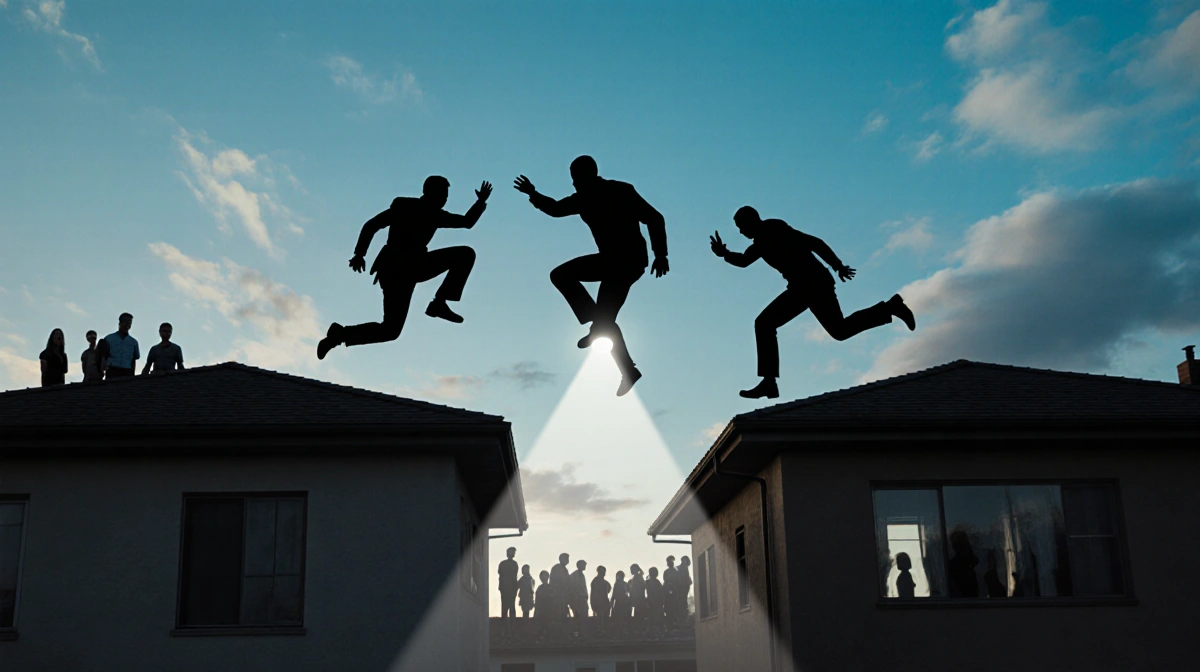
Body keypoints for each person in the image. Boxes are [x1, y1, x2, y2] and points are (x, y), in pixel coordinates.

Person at [710, 206, 916, 399]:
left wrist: (837, 265)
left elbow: (815, 243)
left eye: (741, 227)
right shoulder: (760, 243)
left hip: (811, 284)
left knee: (764, 323)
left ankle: (769, 382)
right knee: (839, 330)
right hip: (807, 287)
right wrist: (724, 254)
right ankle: (889, 308)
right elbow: (744, 260)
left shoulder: (776, 230)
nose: (740, 232)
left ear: (752, 221)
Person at [514, 156, 669, 396]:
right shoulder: (582, 198)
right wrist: (533, 194)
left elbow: (654, 218)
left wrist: (661, 254)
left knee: (598, 313)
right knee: (562, 276)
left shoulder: (621, 191)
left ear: (587, 175)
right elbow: (555, 209)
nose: (573, 184)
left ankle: (601, 329)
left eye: (576, 179)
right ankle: (605, 335)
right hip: (608, 261)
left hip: (628, 261)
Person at [317, 176, 493, 359]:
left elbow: (466, 222)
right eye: (442, 195)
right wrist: (359, 254)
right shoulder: (404, 206)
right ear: (429, 193)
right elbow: (372, 225)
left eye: (446, 196)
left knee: (465, 254)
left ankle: (439, 303)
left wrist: (480, 202)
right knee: (391, 330)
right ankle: (339, 335)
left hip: (416, 266)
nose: (445, 200)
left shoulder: (436, 215)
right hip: (395, 270)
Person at [100, 313, 139, 379]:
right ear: (120, 323)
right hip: (112, 371)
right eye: (126, 322)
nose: (128, 325)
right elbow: (103, 357)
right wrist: (102, 370)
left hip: (127, 372)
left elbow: (133, 360)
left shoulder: (133, 342)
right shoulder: (109, 339)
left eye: (130, 323)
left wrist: (132, 376)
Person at [498, 547, 519, 619]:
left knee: (509, 605)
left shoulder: (511, 563)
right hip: (506, 587)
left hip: (510, 587)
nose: (513, 554)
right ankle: (508, 622)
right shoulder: (511, 564)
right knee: (507, 605)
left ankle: (510, 622)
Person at [550, 553, 572, 619]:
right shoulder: (557, 568)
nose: (567, 560)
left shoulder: (564, 569)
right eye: (566, 558)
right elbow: (560, 582)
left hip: (563, 596)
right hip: (558, 595)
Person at [675, 555, 693, 623]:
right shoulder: (680, 568)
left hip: (684, 587)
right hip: (681, 587)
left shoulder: (685, 567)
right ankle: (682, 618)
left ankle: (683, 618)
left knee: (683, 601)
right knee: (682, 602)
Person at [662, 555, 679, 622]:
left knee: (674, 609)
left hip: (674, 593)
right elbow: (665, 581)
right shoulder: (666, 572)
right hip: (667, 593)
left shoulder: (676, 571)